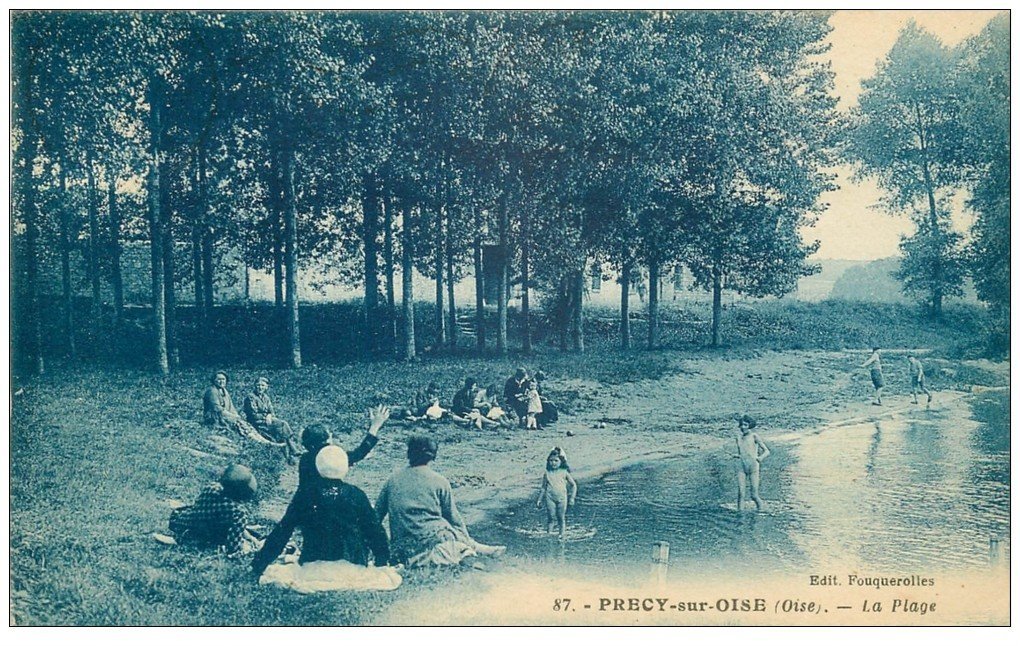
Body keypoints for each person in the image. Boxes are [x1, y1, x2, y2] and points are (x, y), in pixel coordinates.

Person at [252, 446, 390, 578]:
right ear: (345, 467)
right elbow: (375, 531)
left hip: (312, 568)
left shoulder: (305, 494)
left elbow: (282, 532)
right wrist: (381, 562)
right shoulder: (356, 494)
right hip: (352, 568)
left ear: (318, 467)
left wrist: (259, 564)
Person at [376, 436, 505, 567]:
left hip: (404, 546)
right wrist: (466, 538)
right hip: (434, 540)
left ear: (409, 453)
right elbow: (453, 518)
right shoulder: (439, 481)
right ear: (433, 456)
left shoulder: (392, 480)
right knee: (459, 548)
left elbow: (376, 516)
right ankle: (474, 547)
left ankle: (474, 547)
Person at [168, 464, 261, 554]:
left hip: (180, 524)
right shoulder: (239, 513)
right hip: (203, 535)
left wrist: (249, 537)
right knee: (231, 532)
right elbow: (233, 547)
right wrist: (248, 548)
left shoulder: (212, 488)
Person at [297, 405, 390, 494]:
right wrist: (375, 426)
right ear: (328, 439)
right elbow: (360, 452)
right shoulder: (331, 457)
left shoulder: (305, 459)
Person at [203, 371, 273, 444]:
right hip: (215, 417)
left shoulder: (224, 391)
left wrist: (236, 415)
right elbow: (217, 408)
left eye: (223, 379)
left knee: (243, 422)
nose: (221, 381)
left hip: (225, 415)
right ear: (214, 380)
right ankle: (258, 441)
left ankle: (262, 440)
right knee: (240, 424)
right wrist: (233, 417)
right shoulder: (212, 391)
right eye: (219, 379)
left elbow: (231, 407)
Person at [243, 377, 301, 464]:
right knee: (283, 424)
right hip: (256, 422)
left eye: (263, 385)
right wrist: (266, 416)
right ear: (255, 386)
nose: (260, 387)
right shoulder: (251, 397)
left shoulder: (265, 397)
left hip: (267, 421)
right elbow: (253, 415)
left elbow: (271, 411)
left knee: (281, 432)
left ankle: (289, 457)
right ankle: (293, 449)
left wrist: (269, 415)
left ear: (267, 387)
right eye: (258, 385)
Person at [536, 448, 577, 539]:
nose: (553, 463)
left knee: (561, 517)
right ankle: (549, 534)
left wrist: (572, 498)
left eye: (556, 461)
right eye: (551, 460)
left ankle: (561, 535)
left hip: (562, 498)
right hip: (550, 497)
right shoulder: (547, 473)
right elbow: (543, 488)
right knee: (551, 517)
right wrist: (539, 500)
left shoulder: (564, 472)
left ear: (561, 462)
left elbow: (573, 485)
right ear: (548, 462)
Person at [733, 415, 770, 511]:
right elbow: (741, 451)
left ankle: (761, 511)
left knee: (754, 495)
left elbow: (767, 451)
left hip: (753, 467)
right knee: (741, 494)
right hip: (741, 466)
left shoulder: (754, 436)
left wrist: (760, 457)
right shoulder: (738, 437)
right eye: (741, 425)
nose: (743, 427)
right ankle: (740, 515)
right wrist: (737, 455)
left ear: (750, 425)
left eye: (745, 425)